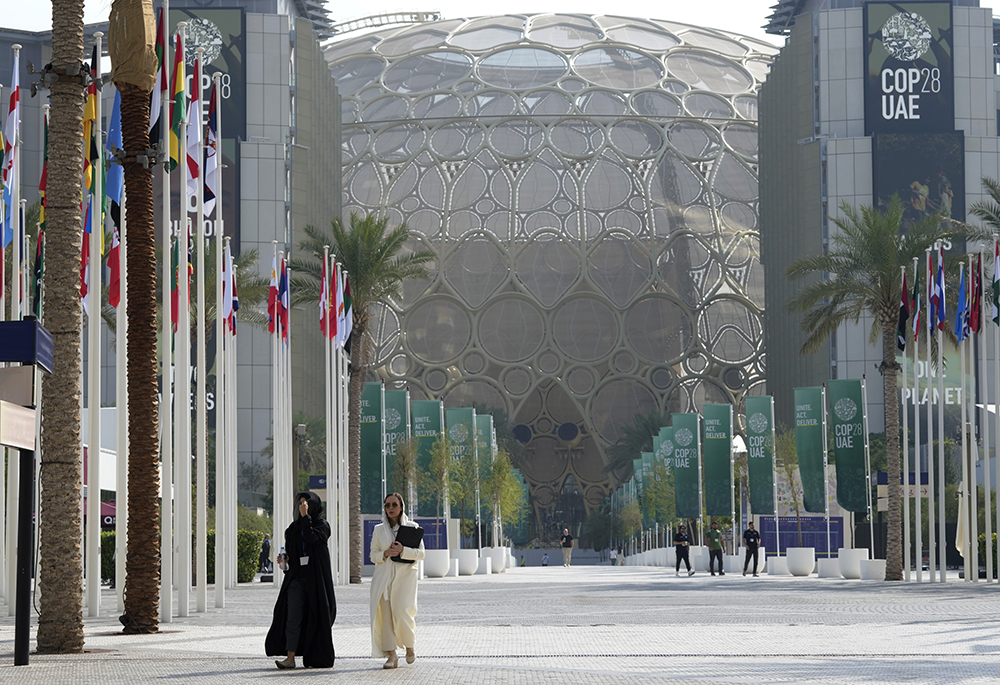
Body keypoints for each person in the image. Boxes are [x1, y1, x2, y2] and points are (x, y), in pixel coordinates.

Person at [265, 492, 336, 669]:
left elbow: (312, 538)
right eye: (300, 503)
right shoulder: (292, 529)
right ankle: (290, 657)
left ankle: (316, 656)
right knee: (292, 616)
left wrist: (305, 517)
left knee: (317, 615)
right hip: (297, 578)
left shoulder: (322, 525)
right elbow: (293, 552)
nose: (303, 506)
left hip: (315, 579)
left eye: (306, 503)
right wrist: (286, 560)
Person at [370, 492, 426, 669]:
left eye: (394, 504)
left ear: (401, 506)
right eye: (387, 505)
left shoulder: (413, 527)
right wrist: (385, 553)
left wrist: (403, 550)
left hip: (405, 579)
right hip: (383, 580)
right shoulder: (379, 530)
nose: (391, 508)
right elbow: (373, 555)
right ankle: (391, 655)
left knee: (403, 613)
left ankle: (409, 646)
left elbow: (421, 554)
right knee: (385, 617)